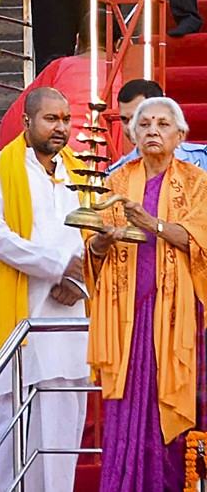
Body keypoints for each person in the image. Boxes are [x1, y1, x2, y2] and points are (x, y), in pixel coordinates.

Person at [0, 87, 90, 492]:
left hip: (71, 321)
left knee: (63, 434)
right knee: (13, 438)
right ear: (27, 122)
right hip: (19, 321)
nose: (60, 128)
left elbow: (97, 234)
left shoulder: (81, 172)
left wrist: (78, 278)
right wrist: (58, 268)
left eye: (66, 119)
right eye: (50, 119)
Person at [87, 96, 207, 491]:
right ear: (133, 134)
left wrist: (151, 224)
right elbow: (93, 250)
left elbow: (199, 241)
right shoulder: (117, 182)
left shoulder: (196, 181)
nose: (153, 130)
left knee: (176, 410)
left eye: (163, 124)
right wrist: (102, 242)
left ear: (181, 135)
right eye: (145, 125)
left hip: (179, 317)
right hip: (129, 318)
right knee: (127, 411)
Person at [109, 79, 207, 172]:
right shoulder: (116, 173)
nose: (130, 127)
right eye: (124, 120)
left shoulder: (202, 158)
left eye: (137, 119)